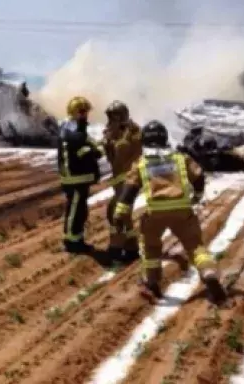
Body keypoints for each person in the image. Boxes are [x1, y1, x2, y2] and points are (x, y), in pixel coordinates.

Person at [111, 120, 227, 304]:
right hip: (182, 211)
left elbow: (129, 192)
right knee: (196, 247)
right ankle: (208, 272)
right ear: (165, 138)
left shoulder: (141, 164)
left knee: (150, 248)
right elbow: (198, 176)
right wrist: (196, 195)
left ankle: (152, 283)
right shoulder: (181, 158)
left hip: (155, 213)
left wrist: (119, 214)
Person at [57, 96, 103, 253]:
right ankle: (71, 242)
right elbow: (87, 148)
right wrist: (95, 150)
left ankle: (77, 238)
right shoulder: (73, 131)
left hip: (77, 178)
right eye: (83, 112)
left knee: (79, 210)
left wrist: (96, 147)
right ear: (75, 112)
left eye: (86, 112)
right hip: (75, 179)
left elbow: (90, 145)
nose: (86, 115)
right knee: (76, 210)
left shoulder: (70, 128)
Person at [101, 101, 142, 262]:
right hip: (119, 179)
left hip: (130, 178)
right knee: (117, 212)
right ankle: (131, 247)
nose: (110, 120)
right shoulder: (114, 132)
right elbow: (112, 159)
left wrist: (115, 139)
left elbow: (126, 151)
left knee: (117, 212)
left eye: (113, 117)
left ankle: (116, 249)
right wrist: (107, 142)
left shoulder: (133, 131)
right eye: (109, 117)